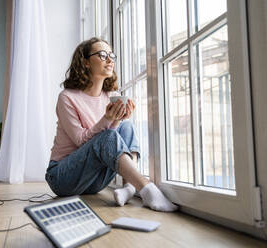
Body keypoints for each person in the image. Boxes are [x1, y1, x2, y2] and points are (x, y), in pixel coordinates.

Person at [46, 37, 178, 212]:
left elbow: (109, 139)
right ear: (85, 62)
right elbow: (81, 140)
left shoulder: (111, 95)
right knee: (108, 135)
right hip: (63, 178)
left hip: (93, 182)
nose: (109, 60)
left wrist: (118, 119)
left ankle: (130, 188)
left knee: (126, 127)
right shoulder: (67, 97)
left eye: (111, 55)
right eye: (102, 55)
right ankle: (148, 189)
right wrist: (108, 118)